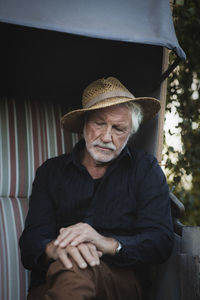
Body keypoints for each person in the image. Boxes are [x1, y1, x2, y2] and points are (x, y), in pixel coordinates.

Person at [19, 77, 174, 300]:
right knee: (71, 264)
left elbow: (161, 241)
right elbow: (31, 242)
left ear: (129, 134)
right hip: (52, 282)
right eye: (99, 124)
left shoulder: (145, 170)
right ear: (84, 125)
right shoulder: (51, 172)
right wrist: (56, 249)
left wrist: (107, 244)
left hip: (120, 284)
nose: (106, 137)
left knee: (76, 268)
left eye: (119, 128)